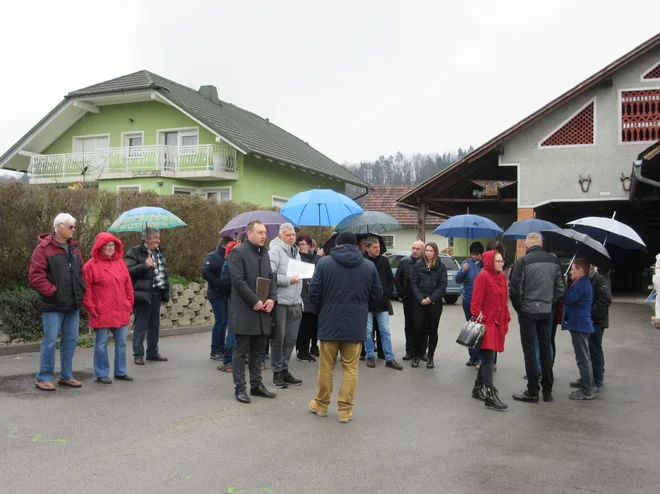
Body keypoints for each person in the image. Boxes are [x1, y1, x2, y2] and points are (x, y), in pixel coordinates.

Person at [308, 232, 383, 423]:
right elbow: (377, 294)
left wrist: (322, 310)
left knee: (326, 368)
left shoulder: (324, 263)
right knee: (351, 368)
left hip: (329, 322)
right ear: (357, 245)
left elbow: (313, 292)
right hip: (356, 323)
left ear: (338, 244)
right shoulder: (368, 266)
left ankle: (322, 405)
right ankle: (345, 410)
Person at [29, 213, 86, 391]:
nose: (73, 230)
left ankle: (66, 376)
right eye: (71, 227)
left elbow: (81, 272)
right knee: (50, 340)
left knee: (70, 340)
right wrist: (54, 292)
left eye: (74, 227)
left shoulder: (74, 248)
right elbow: (35, 276)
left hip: (72, 304)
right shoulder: (43, 249)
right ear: (59, 226)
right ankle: (44, 377)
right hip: (53, 305)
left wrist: (80, 289)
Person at [509, 232, 565, 403]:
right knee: (546, 347)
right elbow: (561, 289)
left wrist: (520, 308)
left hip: (528, 311)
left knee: (530, 351)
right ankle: (547, 391)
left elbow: (514, 290)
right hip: (546, 310)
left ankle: (533, 390)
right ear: (541, 243)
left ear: (526, 245)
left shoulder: (522, 262)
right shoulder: (554, 261)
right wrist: (550, 304)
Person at [229, 220, 278, 403]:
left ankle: (256, 385)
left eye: (265, 232)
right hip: (245, 310)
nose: (264, 235)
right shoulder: (238, 252)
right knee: (241, 352)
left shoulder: (264, 253)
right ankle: (240, 388)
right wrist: (254, 300)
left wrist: (272, 298)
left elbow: (271, 277)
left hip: (263, 310)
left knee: (258, 351)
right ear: (249, 234)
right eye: (260, 232)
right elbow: (238, 281)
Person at [83, 233, 134, 384]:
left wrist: (129, 304)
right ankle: (101, 373)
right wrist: (91, 307)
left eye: (113, 245)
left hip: (120, 309)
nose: (111, 248)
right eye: (107, 245)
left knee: (122, 342)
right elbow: (86, 290)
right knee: (101, 343)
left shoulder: (121, 263)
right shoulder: (90, 266)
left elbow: (128, 286)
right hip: (101, 310)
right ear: (100, 247)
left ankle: (120, 371)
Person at [470, 250, 511, 410]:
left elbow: (504, 300)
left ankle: (477, 388)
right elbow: (475, 304)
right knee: (488, 357)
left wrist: (505, 317)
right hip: (487, 324)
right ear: (489, 262)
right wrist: (481, 322)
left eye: (502, 261)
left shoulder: (501, 277)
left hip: (498, 323)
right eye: (499, 261)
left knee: (489, 357)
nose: (502, 263)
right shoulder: (483, 276)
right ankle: (490, 394)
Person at [125, 227, 170, 365]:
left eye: (158, 237)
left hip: (157, 292)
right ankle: (138, 354)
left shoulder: (159, 252)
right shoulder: (135, 251)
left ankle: (152, 352)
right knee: (141, 324)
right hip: (143, 293)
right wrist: (145, 265)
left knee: (154, 325)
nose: (158, 240)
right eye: (155, 237)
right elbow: (127, 271)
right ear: (147, 239)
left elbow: (162, 271)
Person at [269, 222, 304, 388]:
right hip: (281, 302)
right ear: (280, 236)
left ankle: (284, 369)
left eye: (293, 235)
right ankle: (277, 373)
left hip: (295, 302)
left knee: (290, 339)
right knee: (279, 339)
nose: (291, 237)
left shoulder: (296, 252)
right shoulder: (275, 251)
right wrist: (288, 280)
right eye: (288, 235)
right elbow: (269, 275)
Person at [364, 236, 403, 370]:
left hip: (382, 302)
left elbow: (390, 279)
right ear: (367, 248)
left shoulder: (384, 261)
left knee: (385, 330)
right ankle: (370, 355)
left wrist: (386, 293)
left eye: (378, 247)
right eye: (374, 247)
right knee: (368, 331)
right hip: (367, 303)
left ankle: (389, 358)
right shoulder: (362, 262)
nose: (377, 249)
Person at [410, 241, 447, 369]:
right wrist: (421, 298)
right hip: (420, 302)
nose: (428, 253)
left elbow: (442, 286)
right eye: (427, 250)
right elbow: (414, 284)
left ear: (435, 252)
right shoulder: (418, 266)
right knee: (418, 329)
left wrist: (431, 298)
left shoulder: (441, 267)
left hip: (434, 303)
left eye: (431, 251)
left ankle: (430, 357)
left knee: (432, 330)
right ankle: (416, 355)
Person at [562, 258, 596, 400]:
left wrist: (563, 286)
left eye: (573, 269)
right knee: (583, 355)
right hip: (578, 323)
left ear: (581, 270)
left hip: (580, 324)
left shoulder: (582, 284)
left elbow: (569, 299)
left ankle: (587, 389)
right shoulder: (580, 282)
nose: (571, 271)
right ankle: (585, 381)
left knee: (583, 357)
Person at [575, 267, 612, 392]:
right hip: (587, 320)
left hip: (596, 321)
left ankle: (596, 380)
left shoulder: (600, 279)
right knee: (588, 350)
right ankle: (587, 378)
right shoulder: (585, 280)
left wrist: (591, 314)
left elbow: (605, 299)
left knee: (594, 350)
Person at [216, 233, 245, 373]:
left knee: (233, 329)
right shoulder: (255, 256)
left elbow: (225, 280)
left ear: (239, 241)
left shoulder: (232, 256)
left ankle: (228, 361)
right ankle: (253, 359)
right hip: (250, 297)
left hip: (235, 297)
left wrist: (228, 294)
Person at [202, 236, 233, 360]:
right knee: (220, 321)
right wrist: (219, 283)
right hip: (215, 293)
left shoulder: (227, 256)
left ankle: (222, 347)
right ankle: (215, 349)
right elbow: (205, 272)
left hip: (225, 293)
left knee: (224, 321)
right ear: (224, 245)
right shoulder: (212, 256)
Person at [394, 240, 425, 361]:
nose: (415, 251)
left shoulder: (426, 263)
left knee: (423, 326)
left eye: (418, 249)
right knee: (409, 325)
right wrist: (402, 295)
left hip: (423, 299)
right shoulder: (404, 262)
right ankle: (409, 350)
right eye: (413, 248)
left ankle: (422, 351)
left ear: (423, 251)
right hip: (409, 299)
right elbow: (397, 279)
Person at [455, 241, 484, 367]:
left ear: (481, 254)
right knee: (471, 329)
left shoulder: (484, 265)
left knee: (480, 330)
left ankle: (480, 357)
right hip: (467, 301)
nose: (474, 256)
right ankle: (472, 356)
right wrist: (462, 271)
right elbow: (457, 280)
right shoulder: (466, 264)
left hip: (481, 303)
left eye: (477, 254)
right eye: (472, 254)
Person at [296, 235, 319, 362]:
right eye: (300, 244)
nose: (302, 246)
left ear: (310, 245)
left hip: (312, 293)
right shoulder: (298, 257)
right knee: (302, 324)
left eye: (304, 244)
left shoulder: (314, 258)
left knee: (310, 324)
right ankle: (301, 350)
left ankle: (306, 349)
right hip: (302, 293)